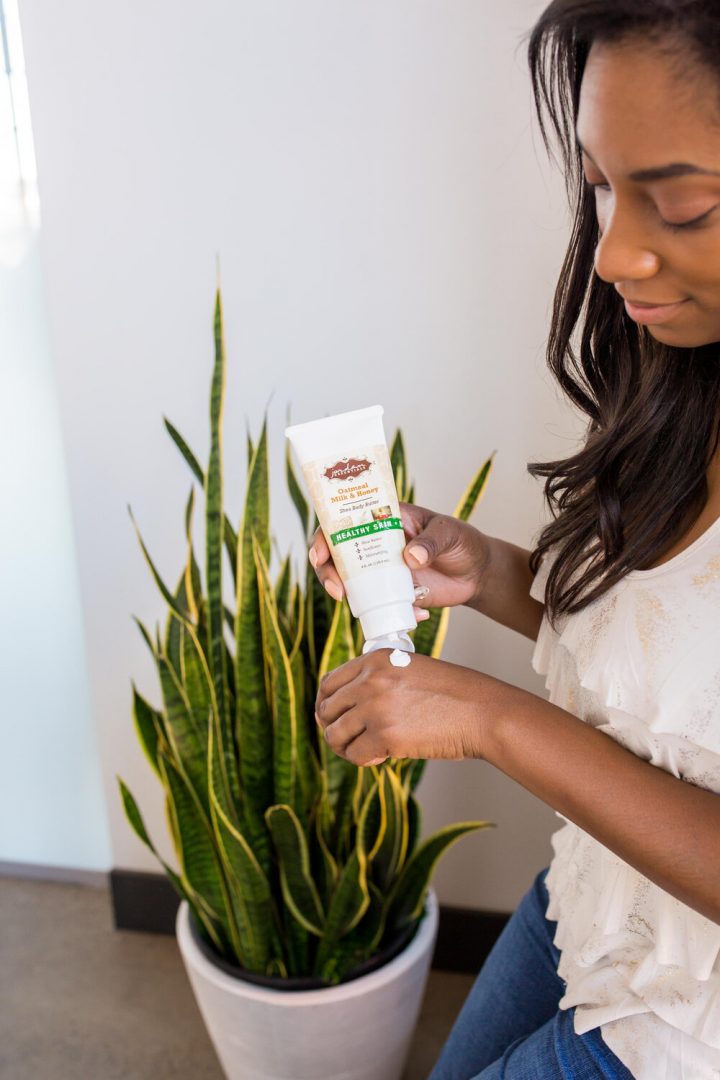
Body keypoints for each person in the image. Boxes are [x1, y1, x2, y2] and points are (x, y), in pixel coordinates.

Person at [311, 1, 720, 1077]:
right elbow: (677, 675)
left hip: (684, 1028)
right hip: (595, 896)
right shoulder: (686, 374)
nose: (613, 253)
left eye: (683, 205)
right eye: (599, 184)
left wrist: (490, 719)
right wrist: (487, 571)